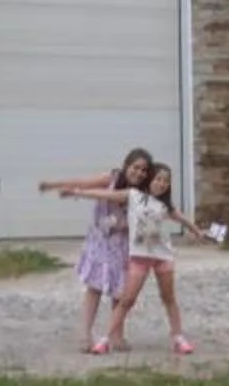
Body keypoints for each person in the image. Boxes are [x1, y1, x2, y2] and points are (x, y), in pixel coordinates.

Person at [65, 161, 212, 356]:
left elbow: (182, 219)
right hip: (139, 258)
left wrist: (198, 232)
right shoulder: (134, 196)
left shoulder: (165, 205)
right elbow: (106, 195)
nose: (161, 184)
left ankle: (178, 337)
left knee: (168, 298)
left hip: (163, 257)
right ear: (149, 179)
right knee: (126, 300)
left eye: (165, 181)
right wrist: (78, 192)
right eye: (158, 179)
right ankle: (106, 339)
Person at [41, 148, 154, 349]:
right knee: (94, 288)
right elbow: (84, 182)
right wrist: (54, 185)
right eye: (135, 167)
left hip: (123, 245)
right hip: (101, 240)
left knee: (120, 291)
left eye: (144, 171)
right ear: (126, 165)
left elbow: (116, 199)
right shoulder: (112, 177)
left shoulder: (140, 194)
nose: (139, 173)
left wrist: (78, 194)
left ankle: (116, 335)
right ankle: (85, 334)